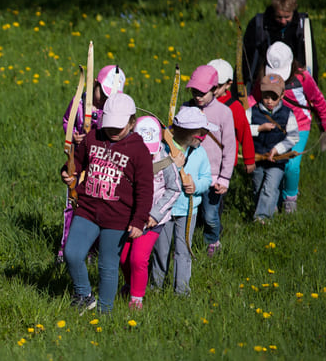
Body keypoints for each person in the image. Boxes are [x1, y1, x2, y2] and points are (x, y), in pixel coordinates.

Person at [60, 93, 153, 313]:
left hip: (118, 218)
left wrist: (138, 220)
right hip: (88, 210)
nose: (112, 132)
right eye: (109, 126)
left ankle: (105, 312)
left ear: (132, 123)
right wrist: (67, 172)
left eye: (118, 128)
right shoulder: (93, 137)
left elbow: (145, 190)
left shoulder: (139, 151)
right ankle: (84, 295)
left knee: (108, 266)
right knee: (72, 253)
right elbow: (77, 163)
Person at [59, 64, 127, 260]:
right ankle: (65, 247)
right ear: (94, 84)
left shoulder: (113, 110)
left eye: (110, 97)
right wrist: (73, 135)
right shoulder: (78, 103)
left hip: (99, 167)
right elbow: (67, 121)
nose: (106, 100)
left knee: (97, 207)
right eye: (103, 95)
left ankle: (92, 249)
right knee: (73, 204)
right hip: (77, 164)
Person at [118, 116, 181, 311]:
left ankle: (137, 299)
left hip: (153, 219)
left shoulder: (164, 160)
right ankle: (130, 284)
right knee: (123, 258)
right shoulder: (127, 156)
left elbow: (175, 189)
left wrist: (155, 214)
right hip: (131, 216)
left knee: (138, 258)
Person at [262, 41, 326, 213]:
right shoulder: (265, 79)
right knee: (275, 162)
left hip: (300, 125)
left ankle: (290, 197)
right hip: (277, 126)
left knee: (291, 165)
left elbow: (318, 100)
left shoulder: (303, 78)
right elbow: (256, 98)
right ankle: (274, 195)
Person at [149, 108, 212, 296]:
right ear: (191, 133)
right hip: (165, 210)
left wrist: (196, 185)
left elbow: (207, 178)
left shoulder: (200, 154)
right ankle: (156, 286)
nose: (203, 137)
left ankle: (182, 290)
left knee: (183, 250)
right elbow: (153, 172)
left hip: (187, 211)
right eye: (201, 133)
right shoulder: (163, 149)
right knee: (161, 250)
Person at [185, 64, 236, 257]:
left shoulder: (224, 113)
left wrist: (224, 178)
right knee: (187, 213)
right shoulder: (186, 108)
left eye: (202, 92)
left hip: (213, 176)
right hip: (190, 173)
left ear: (215, 90)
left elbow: (230, 148)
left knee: (210, 215)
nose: (197, 96)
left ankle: (212, 241)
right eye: (194, 91)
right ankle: (185, 244)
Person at [247, 74, 300, 222]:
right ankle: (272, 209)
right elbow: (243, 130)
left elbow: (293, 137)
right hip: (258, 158)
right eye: (266, 96)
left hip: (277, 160)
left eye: (274, 97)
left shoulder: (287, 114)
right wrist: (259, 128)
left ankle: (261, 219)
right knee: (258, 189)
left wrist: (277, 149)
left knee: (269, 188)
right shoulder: (253, 111)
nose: (269, 101)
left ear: (282, 95)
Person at [242, 0, 318, 85]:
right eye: (279, 17)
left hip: (294, 80)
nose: (283, 21)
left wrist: (313, 85)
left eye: (287, 17)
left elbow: (312, 59)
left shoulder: (302, 26)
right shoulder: (259, 24)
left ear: (294, 10)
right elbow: (246, 58)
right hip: (266, 80)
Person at [208, 58, 255, 174]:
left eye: (217, 86)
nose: (213, 90)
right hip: (203, 157)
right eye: (210, 85)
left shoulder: (234, 107)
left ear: (228, 84)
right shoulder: (201, 102)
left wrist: (249, 159)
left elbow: (244, 132)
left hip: (223, 162)